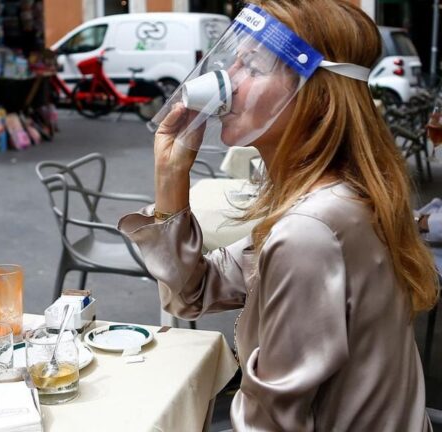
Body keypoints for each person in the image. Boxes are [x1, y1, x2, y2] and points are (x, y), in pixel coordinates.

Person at [119, 1, 438, 430]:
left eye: (251, 66)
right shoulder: (344, 197)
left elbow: (269, 424)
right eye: (231, 60)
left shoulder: (311, 229)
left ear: (316, 96)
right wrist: (172, 174)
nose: (224, 82)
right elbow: (193, 291)